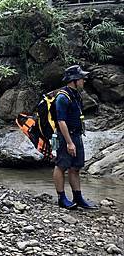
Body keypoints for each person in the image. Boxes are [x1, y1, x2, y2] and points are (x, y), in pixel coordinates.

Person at [52, 65, 97, 209]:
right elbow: (61, 121)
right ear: (74, 80)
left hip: (76, 135)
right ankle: (62, 198)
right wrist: (69, 143)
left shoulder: (75, 94)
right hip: (65, 137)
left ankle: (78, 197)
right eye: (81, 78)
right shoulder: (62, 97)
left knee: (75, 167)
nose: (84, 80)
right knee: (61, 166)